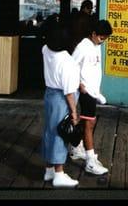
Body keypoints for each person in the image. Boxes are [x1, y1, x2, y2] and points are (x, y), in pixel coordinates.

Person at [69, 19, 113, 175]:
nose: (102, 41)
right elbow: (72, 66)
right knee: (89, 123)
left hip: (94, 90)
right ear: (93, 33)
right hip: (85, 91)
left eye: (105, 39)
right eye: (101, 38)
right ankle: (90, 161)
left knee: (88, 122)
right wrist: (80, 84)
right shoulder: (82, 47)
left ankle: (75, 147)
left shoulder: (96, 45)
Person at [41, 21, 80, 188]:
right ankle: (59, 173)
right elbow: (69, 92)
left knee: (49, 131)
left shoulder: (45, 50)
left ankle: (49, 170)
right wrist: (74, 113)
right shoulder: (67, 61)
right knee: (61, 133)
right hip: (61, 99)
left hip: (49, 94)